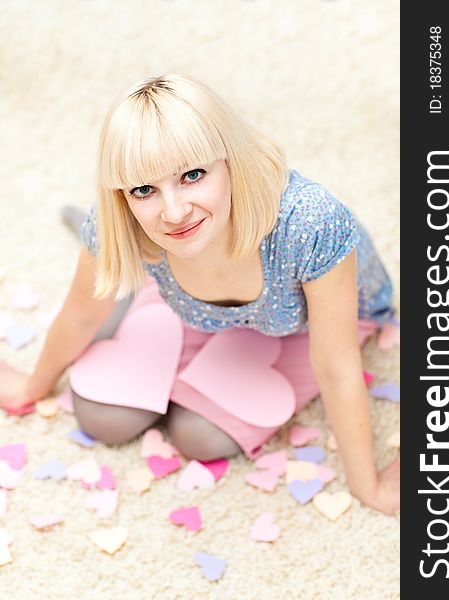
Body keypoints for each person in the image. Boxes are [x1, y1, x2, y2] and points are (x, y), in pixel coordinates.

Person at [0, 73, 399, 515]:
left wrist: (369, 486)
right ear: (123, 196)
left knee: (198, 435)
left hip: (307, 325)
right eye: (144, 189)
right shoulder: (121, 222)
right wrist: (32, 387)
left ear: (230, 160)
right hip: (199, 309)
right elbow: (79, 317)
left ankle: (135, 294)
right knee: (104, 417)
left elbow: (337, 365)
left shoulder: (309, 224)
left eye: (192, 175)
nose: (173, 211)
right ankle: (136, 289)